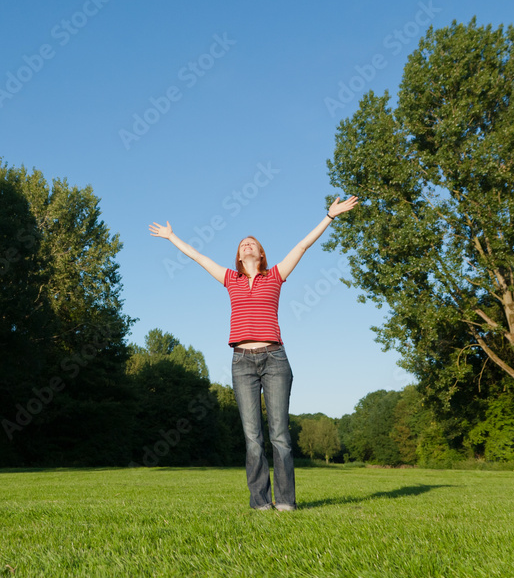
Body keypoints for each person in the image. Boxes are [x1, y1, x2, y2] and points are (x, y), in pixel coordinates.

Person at [149, 195, 359, 511]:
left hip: (275, 359)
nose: (246, 245)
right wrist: (171, 237)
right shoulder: (230, 279)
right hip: (242, 363)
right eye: (242, 244)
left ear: (261, 253)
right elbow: (198, 257)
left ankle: (285, 501)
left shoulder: (275, 275)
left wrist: (329, 217)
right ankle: (260, 502)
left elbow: (302, 246)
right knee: (252, 438)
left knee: (280, 436)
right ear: (238, 256)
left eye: (252, 243)